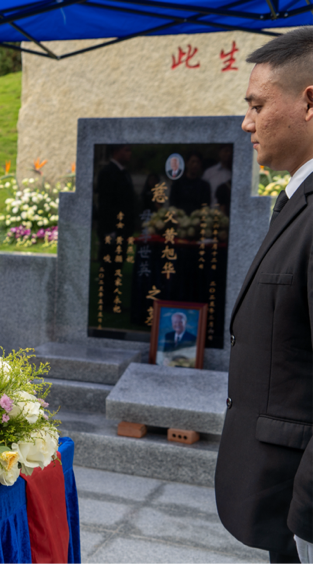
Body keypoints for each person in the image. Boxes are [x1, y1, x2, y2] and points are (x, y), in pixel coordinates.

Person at [215, 28, 313, 564]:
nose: (247, 123)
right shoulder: (298, 198)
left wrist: (308, 520)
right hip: (279, 491)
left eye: (257, 105)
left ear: (309, 102)